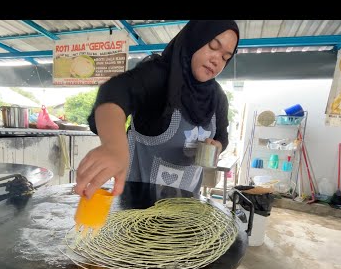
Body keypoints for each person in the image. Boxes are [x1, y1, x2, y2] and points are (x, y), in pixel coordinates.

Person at [75, 20, 240, 199]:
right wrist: (114, 146)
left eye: (225, 57)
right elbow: (115, 92)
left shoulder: (217, 97)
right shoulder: (160, 77)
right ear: (195, 39)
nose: (217, 60)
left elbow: (222, 135)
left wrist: (217, 146)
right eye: (213, 46)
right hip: (136, 211)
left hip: (187, 210)